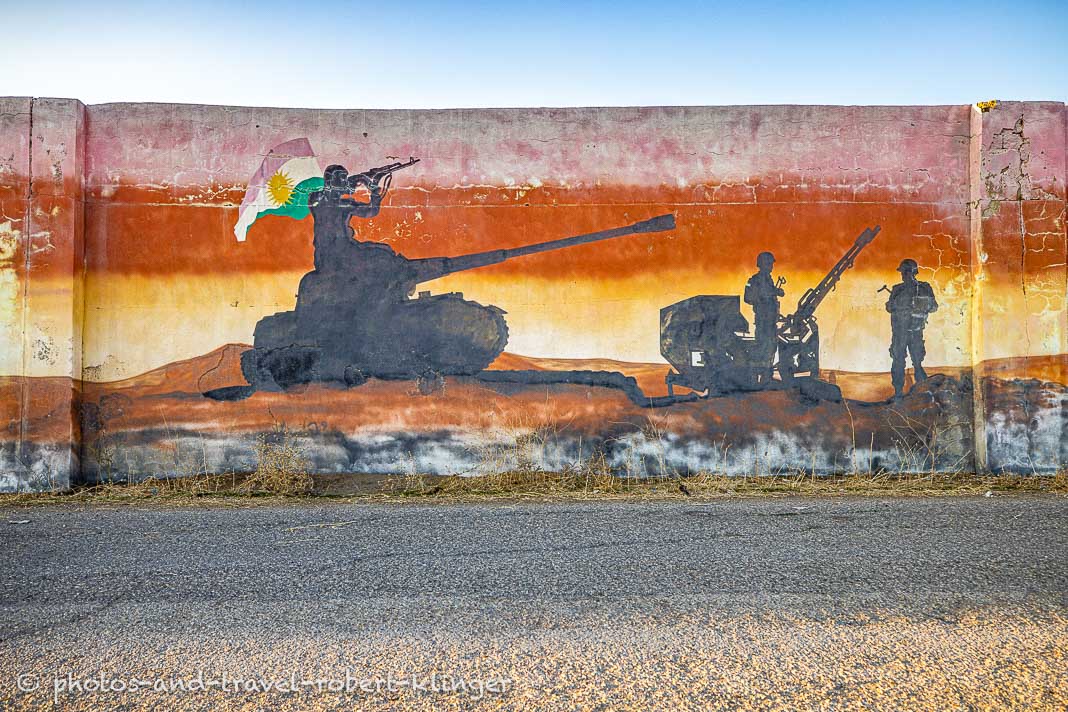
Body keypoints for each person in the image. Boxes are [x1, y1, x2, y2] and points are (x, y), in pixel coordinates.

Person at [885, 258, 938, 397]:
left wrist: (919, 306)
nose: (904, 275)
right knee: (898, 361)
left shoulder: (924, 288)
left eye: (906, 272)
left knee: (917, 362)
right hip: (899, 333)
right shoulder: (897, 289)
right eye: (903, 272)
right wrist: (895, 306)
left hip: (915, 331)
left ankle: (924, 393)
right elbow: (889, 307)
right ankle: (898, 394)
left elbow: (934, 307)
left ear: (913, 272)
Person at [744, 251, 785, 365]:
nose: (771, 266)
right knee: (763, 347)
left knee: (771, 347)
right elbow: (747, 297)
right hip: (763, 320)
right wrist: (770, 293)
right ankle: (761, 374)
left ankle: (766, 374)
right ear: (763, 264)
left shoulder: (768, 280)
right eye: (769, 263)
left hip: (771, 320)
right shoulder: (754, 280)